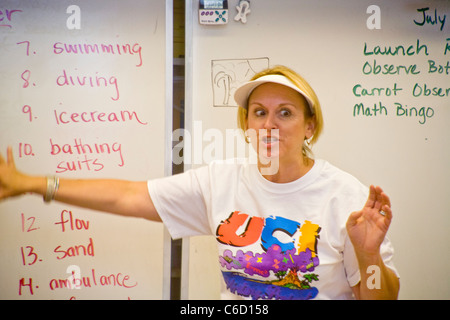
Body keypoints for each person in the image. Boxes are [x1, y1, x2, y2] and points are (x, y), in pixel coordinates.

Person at [0, 65, 399, 300]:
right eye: (258, 112)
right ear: (246, 125)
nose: (269, 124)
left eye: (286, 113)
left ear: (310, 125)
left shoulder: (346, 196)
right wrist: (33, 184)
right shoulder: (220, 181)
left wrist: (368, 256)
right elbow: (127, 196)